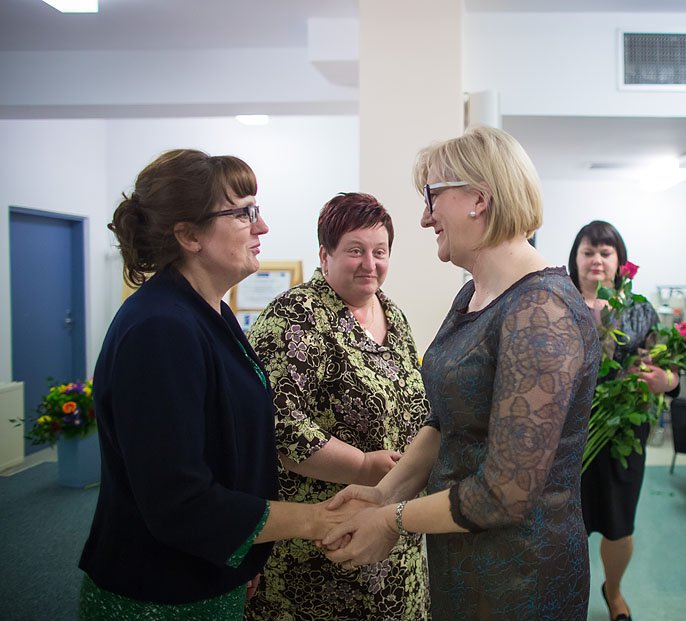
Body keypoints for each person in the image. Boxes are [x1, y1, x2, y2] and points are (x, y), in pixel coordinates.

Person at [320, 126, 601, 620]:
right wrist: (385, 492)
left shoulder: (542, 310)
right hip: (462, 558)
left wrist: (391, 520)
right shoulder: (474, 294)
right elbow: (445, 419)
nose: (425, 217)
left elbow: (505, 492)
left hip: (520, 576)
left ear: (479, 199)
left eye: (432, 197)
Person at [78, 149, 340, 620]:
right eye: (243, 214)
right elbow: (179, 501)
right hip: (159, 592)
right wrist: (318, 519)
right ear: (189, 235)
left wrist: (243, 552)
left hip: (209, 568)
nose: (262, 227)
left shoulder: (208, 310)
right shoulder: (160, 328)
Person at [243, 192, 429, 620]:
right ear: (324, 255)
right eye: (355, 250)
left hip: (395, 536)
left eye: (380, 252)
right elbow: (281, 427)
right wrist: (364, 466)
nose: (370, 264)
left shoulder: (394, 315)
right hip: (320, 546)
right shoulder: (297, 315)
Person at [568, 220, 679, 621]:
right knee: (567, 523)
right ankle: (569, 595)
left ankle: (613, 590)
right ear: (575, 258)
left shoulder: (639, 310)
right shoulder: (559, 302)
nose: (596, 260)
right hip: (566, 433)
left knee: (619, 524)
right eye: (588, 252)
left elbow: (670, 367)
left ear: (620, 260)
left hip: (623, 431)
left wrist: (666, 380)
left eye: (605, 252)